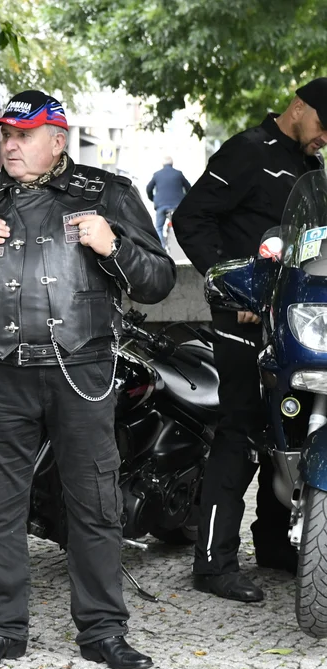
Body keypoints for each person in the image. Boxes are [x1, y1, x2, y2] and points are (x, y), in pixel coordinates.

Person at [0, 90, 175, 669]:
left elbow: (159, 280)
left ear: (57, 141)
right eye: (4, 135)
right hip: (3, 375)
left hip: (82, 370)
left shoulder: (105, 193)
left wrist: (112, 247)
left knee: (94, 501)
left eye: (24, 134)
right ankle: (2, 630)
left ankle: (104, 631)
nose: (10, 145)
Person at [174, 78, 327, 602]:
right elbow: (191, 219)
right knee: (239, 430)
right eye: (323, 126)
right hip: (239, 313)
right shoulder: (246, 151)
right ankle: (213, 563)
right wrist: (224, 279)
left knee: (285, 424)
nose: (326, 138)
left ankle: (274, 544)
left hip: (287, 318)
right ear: (299, 107)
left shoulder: (311, 171)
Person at [145, 156, 191, 247]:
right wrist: (185, 199)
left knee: (158, 228)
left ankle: (162, 248)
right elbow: (188, 187)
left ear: (163, 164)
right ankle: (182, 247)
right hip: (177, 206)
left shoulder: (157, 174)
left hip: (161, 205)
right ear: (172, 164)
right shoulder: (178, 174)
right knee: (181, 227)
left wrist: (153, 198)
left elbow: (149, 188)